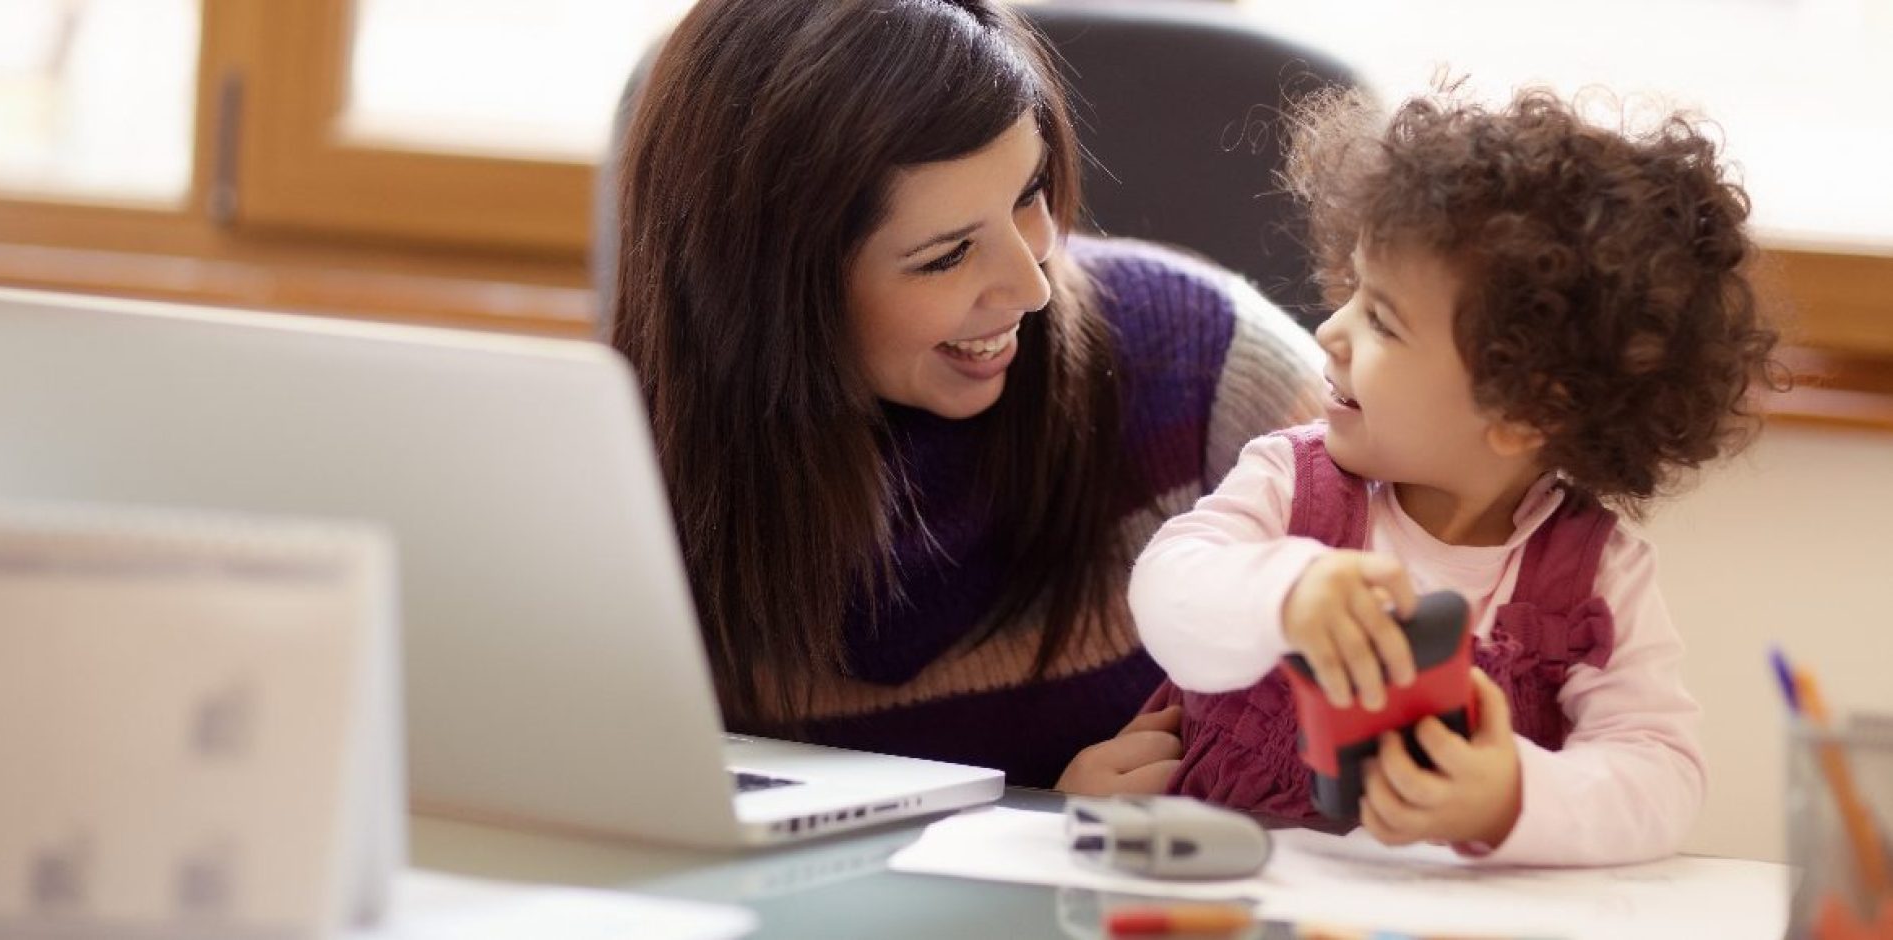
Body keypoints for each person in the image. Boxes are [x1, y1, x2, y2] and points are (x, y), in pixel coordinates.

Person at [609, 0, 1324, 791]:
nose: (1031, 285)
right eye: (948, 256)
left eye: (1030, 194)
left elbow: (1463, 625)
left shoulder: (1208, 363)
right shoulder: (616, 469)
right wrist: (1043, 829)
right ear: (767, 291)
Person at [1129, 84, 1783, 863]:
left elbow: (1660, 774)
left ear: (1523, 412)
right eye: (1351, 294)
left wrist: (1511, 795)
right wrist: (1285, 594)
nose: (1330, 332)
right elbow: (1166, 592)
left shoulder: (1595, 582)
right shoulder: (1291, 483)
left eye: (1381, 319)